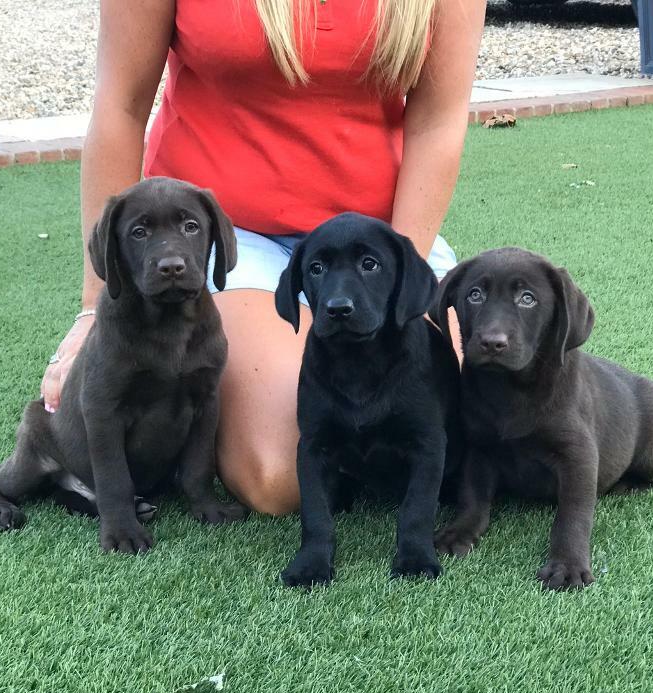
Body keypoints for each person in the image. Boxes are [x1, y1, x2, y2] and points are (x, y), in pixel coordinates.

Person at [41, 0, 486, 515]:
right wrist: (98, 307)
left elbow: (437, 120)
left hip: (378, 240)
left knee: (492, 406)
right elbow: (121, 105)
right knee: (281, 473)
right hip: (231, 240)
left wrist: (393, 281)